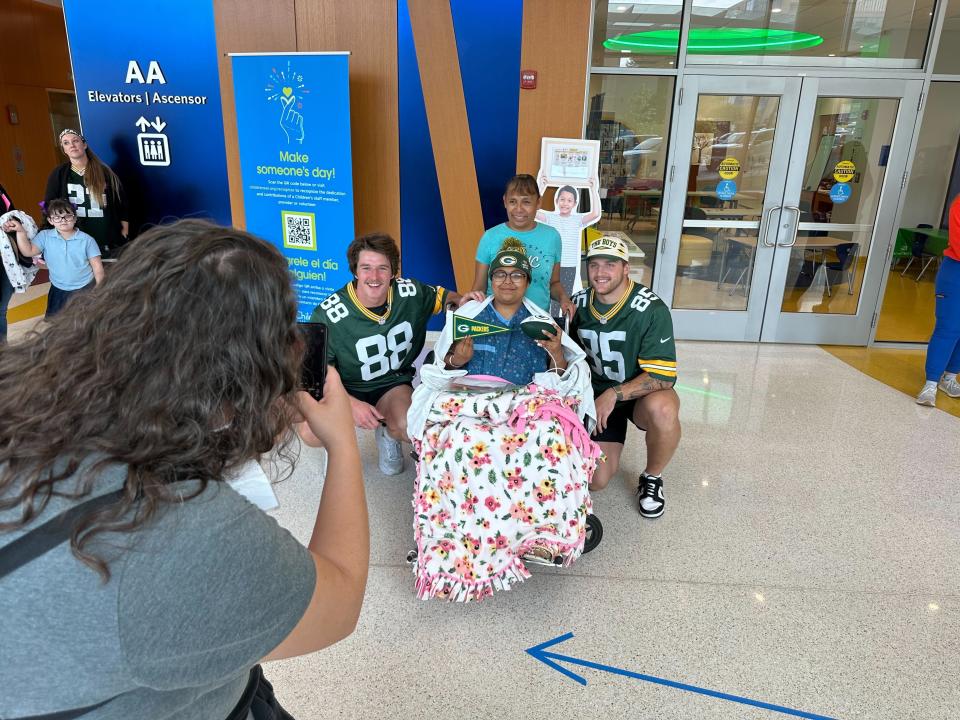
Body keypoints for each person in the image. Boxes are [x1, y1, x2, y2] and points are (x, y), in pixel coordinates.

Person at [0, 220, 368, 719]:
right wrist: (343, 446)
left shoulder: (19, 403)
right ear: (243, 384)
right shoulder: (180, 531)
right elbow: (339, 602)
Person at [310, 232, 482, 476]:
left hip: (391, 384)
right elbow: (318, 373)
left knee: (410, 425)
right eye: (366, 268)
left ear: (393, 272)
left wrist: (461, 302)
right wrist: (349, 403)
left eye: (383, 268)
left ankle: (387, 431)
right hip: (344, 388)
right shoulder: (328, 314)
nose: (374, 276)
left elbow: (445, 298)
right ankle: (336, 444)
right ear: (355, 271)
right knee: (310, 428)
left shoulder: (409, 292)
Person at [571, 236, 681, 519]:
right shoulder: (578, 304)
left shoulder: (651, 309)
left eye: (610, 264)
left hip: (637, 398)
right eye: (594, 265)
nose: (600, 272)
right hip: (596, 399)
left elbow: (663, 376)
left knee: (664, 408)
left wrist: (614, 394)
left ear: (625, 268)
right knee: (596, 480)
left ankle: (652, 478)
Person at [445, 238, 567, 383]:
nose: (507, 281)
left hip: (526, 402)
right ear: (491, 281)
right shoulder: (469, 316)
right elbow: (439, 368)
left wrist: (557, 354)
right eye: (500, 274)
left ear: (527, 282)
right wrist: (457, 360)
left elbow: (558, 380)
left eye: (516, 275)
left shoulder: (542, 325)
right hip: (470, 400)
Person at [471, 174, 576, 319]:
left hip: (537, 322)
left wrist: (564, 299)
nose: (519, 209)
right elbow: (479, 288)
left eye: (526, 202)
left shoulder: (552, 237)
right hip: (495, 322)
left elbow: (554, 283)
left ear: (538, 203)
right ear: (505, 202)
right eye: (513, 201)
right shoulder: (490, 237)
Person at [9, 198, 104, 318]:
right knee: (57, 323)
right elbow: (28, 252)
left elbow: (98, 268)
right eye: (57, 217)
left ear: (74, 218)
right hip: (58, 288)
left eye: (67, 216)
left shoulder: (87, 240)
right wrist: (20, 231)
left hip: (85, 287)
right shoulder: (45, 236)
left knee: (85, 321)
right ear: (50, 220)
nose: (63, 220)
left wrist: (99, 289)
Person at [45, 129, 129, 257]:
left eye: (75, 141)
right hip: (76, 241)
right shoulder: (59, 174)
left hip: (106, 240)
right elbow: (48, 206)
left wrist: (124, 228)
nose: (72, 145)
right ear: (64, 150)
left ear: (84, 144)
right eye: (66, 143)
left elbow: (121, 202)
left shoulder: (104, 171)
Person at [917, 193, 960, 406]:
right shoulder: (959, 204)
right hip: (956, 272)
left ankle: (950, 378)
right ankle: (931, 383)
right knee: (948, 328)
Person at [536, 178, 602, 298]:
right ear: (557, 201)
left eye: (569, 200)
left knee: (565, 298)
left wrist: (593, 189)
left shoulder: (578, 220)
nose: (565, 203)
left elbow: (596, 214)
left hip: (569, 266)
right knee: (553, 299)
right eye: (562, 199)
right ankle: (553, 317)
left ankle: (565, 317)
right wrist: (541, 186)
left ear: (574, 203)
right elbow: (533, 211)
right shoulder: (550, 218)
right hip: (553, 264)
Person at [0, 209, 39, 342]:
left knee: (1, 309)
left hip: (5, 259)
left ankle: (3, 351)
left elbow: (10, 213)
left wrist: (10, 224)